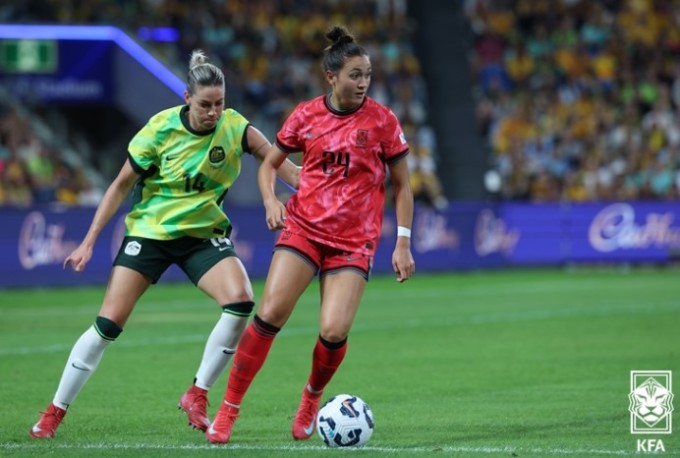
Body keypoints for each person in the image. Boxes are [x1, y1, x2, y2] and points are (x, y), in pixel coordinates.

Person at [29, 49, 299, 439]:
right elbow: (120, 185)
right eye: (205, 104)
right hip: (150, 234)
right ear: (187, 99)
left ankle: (197, 393)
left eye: (220, 103)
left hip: (202, 237)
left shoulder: (235, 127)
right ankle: (54, 412)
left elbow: (277, 162)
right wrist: (88, 241)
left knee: (240, 302)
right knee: (108, 324)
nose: (213, 112)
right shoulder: (159, 130)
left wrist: (312, 182)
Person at [206, 25, 416, 444]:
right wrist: (271, 200)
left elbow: (403, 185)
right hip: (304, 229)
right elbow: (269, 164)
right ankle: (228, 410)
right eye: (355, 75)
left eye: (367, 75)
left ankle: (311, 398)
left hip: (354, 241)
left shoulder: (382, 121)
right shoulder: (306, 115)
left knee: (334, 331)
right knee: (270, 313)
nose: (363, 82)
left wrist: (404, 242)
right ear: (331, 77)